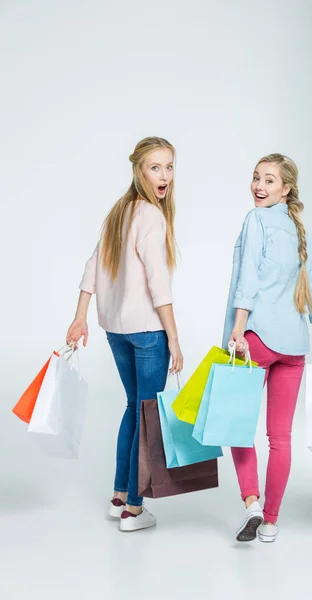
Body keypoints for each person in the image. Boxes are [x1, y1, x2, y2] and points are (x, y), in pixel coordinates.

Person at [66, 137, 183, 533]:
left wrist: (80, 318)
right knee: (148, 417)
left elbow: (91, 269)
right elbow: (157, 283)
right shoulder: (150, 215)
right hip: (148, 332)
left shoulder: (120, 212)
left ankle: (119, 495)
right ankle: (135, 508)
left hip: (115, 331)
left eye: (169, 166)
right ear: (139, 170)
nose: (164, 175)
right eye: (155, 167)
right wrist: (175, 337)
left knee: (135, 408)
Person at [222, 153, 312, 543]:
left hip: (256, 339)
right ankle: (271, 521)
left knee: (238, 425)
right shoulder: (294, 227)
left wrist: (238, 331)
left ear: (286, 188)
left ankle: (252, 503)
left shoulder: (256, 220)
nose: (259, 186)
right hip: (293, 345)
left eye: (269, 180)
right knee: (281, 437)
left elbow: (248, 281)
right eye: (256, 178)